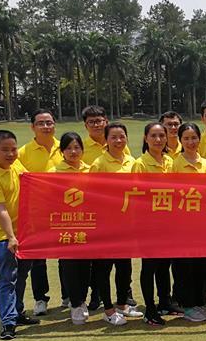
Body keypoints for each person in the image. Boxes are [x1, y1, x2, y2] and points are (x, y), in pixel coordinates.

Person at [50, 133, 126, 327]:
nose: (73, 152)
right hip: (66, 226)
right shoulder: (54, 172)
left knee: (85, 267)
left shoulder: (89, 170)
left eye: (77, 148)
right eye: (68, 148)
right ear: (62, 151)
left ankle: (81, 301)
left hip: (87, 225)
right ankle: (75, 304)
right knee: (70, 266)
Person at [0, 130, 39, 340]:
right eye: (5, 150)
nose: (11, 154)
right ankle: (8, 322)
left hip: (24, 231)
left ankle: (18, 312)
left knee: (21, 275)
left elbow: (31, 181)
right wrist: (11, 237)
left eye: (13, 149)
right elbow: (0, 209)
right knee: (7, 278)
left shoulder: (15, 164)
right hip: (4, 236)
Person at [89, 123, 141, 319]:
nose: (118, 141)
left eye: (122, 137)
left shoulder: (132, 161)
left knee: (124, 267)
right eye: (113, 137)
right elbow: (92, 194)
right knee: (104, 268)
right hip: (106, 224)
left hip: (126, 224)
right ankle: (108, 310)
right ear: (106, 139)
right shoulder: (99, 163)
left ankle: (122, 304)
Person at [16, 108, 62, 315]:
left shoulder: (65, 147)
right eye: (41, 123)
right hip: (36, 212)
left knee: (66, 254)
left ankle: (68, 296)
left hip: (63, 210)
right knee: (38, 258)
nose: (46, 126)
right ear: (32, 127)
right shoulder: (23, 152)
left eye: (49, 122)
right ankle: (40, 298)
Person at [132, 122, 175, 326]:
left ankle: (165, 302)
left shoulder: (170, 161)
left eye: (161, 136)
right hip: (148, 224)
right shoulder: (140, 164)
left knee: (164, 265)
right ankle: (150, 309)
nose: (158, 140)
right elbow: (136, 195)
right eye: (153, 136)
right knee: (149, 266)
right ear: (145, 139)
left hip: (168, 223)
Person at [170, 123, 206, 322]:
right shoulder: (174, 164)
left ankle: (198, 303)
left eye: (194, 137)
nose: (190, 142)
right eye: (186, 138)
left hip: (202, 223)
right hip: (182, 224)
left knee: (199, 265)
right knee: (184, 266)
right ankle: (187, 306)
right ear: (180, 140)